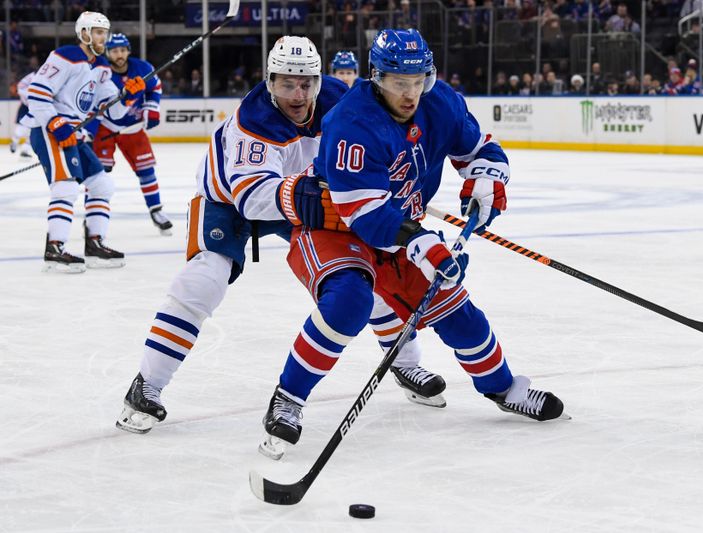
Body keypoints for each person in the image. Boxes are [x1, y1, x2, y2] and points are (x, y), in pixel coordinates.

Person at [116, 36, 449, 438]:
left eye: (306, 83)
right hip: (231, 201)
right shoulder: (252, 121)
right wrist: (314, 195)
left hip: (307, 196)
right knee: (203, 279)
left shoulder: (342, 101)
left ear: (318, 80)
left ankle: (404, 361)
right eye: (286, 84)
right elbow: (253, 199)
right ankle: (147, 384)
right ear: (270, 82)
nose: (297, 94)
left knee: (372, 265)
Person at [262, 28, 566, 458]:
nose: (409, 94)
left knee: (458, 312)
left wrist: (485, 180)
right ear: (375, 78)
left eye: (417, 82)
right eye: (397, 83)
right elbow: (365, 214)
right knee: (348, 302)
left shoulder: (440, 102)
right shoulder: (352, 122)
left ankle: (503, 389)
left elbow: (480, 148)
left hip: (403, 227)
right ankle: (288, 399)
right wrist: (423, 244)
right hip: (337, 227)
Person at [21, 11, 144, 273]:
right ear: (85, 33)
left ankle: (95, 244)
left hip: (73, 133)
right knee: (65, 187)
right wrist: (55, 123)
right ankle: (54, 249)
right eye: (98, 32)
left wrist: (128, 95)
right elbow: (37, 92)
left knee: (102, 185)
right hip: (49, 130)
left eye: (104, 32)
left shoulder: (101, 67)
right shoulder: (65, 56)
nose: (103, 38)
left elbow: (114, 112)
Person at [91, 33, 172, 235]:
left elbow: (155, 87)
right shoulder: (101, 71)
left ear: (128, 51)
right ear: (108, 52)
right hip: (106, 126)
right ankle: (93, 217)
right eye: (115, 51)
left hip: (133, 128)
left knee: (146, 170)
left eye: (122, 50)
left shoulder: (143, 68)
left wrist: (152, 108)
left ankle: (156, 211)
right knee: (99, 174)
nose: (119, 55)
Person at [10, 71, 35, 157]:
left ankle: (25, 150)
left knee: (33, 129)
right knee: (22, 126)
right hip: (26, 107)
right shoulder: (32, 76)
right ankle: (14, 141)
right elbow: (20, 87)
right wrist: (28, 100)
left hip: (35, 108)